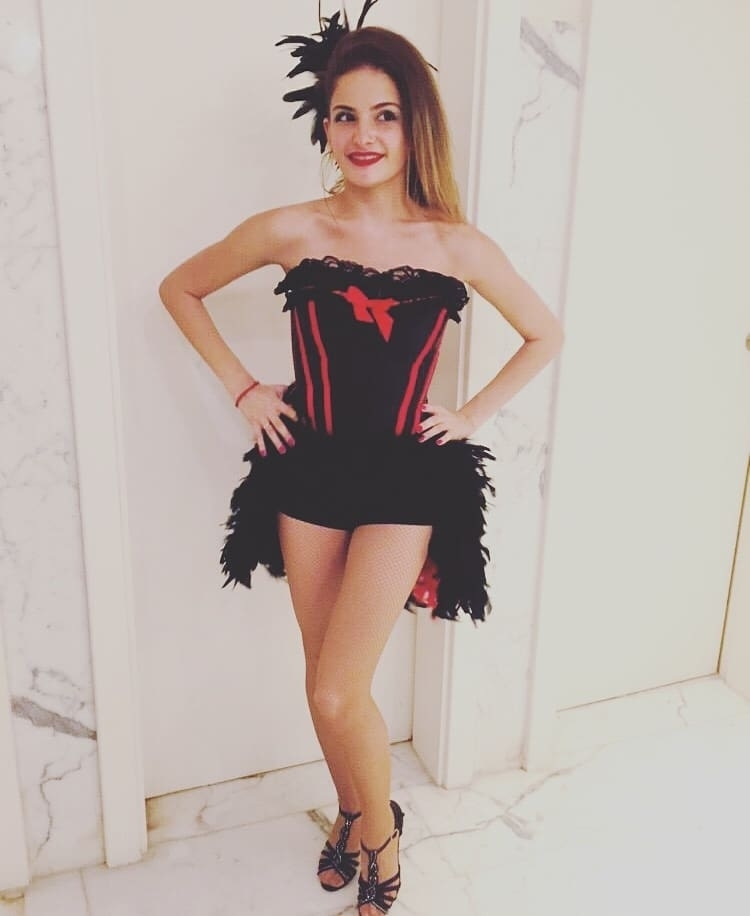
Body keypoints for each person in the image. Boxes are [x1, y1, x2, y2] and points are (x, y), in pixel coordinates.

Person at [159, 9, 563, 914]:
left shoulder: (454, 243)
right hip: (307, 470)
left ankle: (380, 836)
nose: (364, 135)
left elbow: (545, 333)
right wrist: (243, 387)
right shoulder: (292, 227)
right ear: (325, 126)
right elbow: (179, 287)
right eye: (346, 115)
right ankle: (352, 810)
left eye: (385, 115)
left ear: (415, 125)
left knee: (342, 691)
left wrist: (469, 415)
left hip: (406, 480)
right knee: (323, 684)